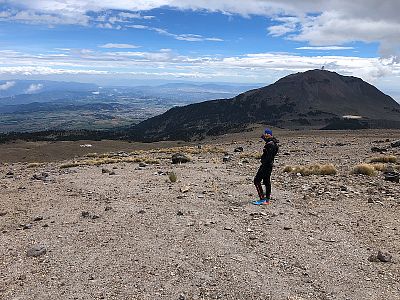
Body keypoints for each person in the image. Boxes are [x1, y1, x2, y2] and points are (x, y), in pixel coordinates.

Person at [252, 128, 279, 205]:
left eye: (266, 134)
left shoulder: (270, 145)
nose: (265, 135)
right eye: (265, 133)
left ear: (270, 134)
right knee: (266, 182)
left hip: (266, 165)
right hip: (269, 165)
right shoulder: (272, 143)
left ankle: (262, 199)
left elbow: (269, 156)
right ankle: (267, 199)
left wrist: (264, 162)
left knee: (256, 180)